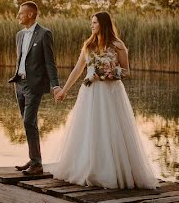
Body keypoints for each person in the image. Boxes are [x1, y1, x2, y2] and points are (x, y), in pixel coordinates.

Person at [52, 11, 157, 189]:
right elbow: (78, 70)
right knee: (90, 130)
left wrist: (109, 72)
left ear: (103, 24)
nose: (91, 26)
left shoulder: (117, 45)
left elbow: (126, 71)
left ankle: (113, 172)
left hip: (110, 93)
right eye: (91, 22)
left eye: (94, 22)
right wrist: (64, 90)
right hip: (90, 93)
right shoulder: (89, 45)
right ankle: (88, 168)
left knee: (111, 130)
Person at [8, 1, 61, 176]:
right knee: (28, 122)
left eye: (21, 13)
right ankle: (34, 159)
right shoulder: (19, 35)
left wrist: (55, 85)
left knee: (28, 121)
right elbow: (21, 59)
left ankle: (37, 164)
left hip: (34, 85)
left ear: (30, 14)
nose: (18, 16)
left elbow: (50, 62)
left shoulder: (44, 34)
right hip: (20, 84)